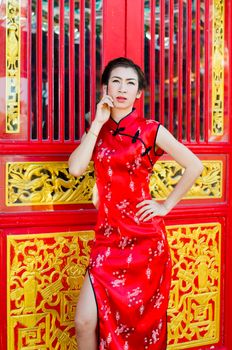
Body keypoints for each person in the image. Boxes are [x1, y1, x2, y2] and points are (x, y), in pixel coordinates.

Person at [68, 57, 203, 350]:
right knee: (85, 322)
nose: (122, 88)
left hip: (145, 241)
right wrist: (97, 123)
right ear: (105, 87)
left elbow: (194, 165)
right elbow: (76, 168)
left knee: (139, 327)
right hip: (107, 239)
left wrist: (165, 205)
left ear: (139, 93)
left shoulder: (151, 130)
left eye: (130, 83)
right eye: (116, 81)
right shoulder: (97, 132)